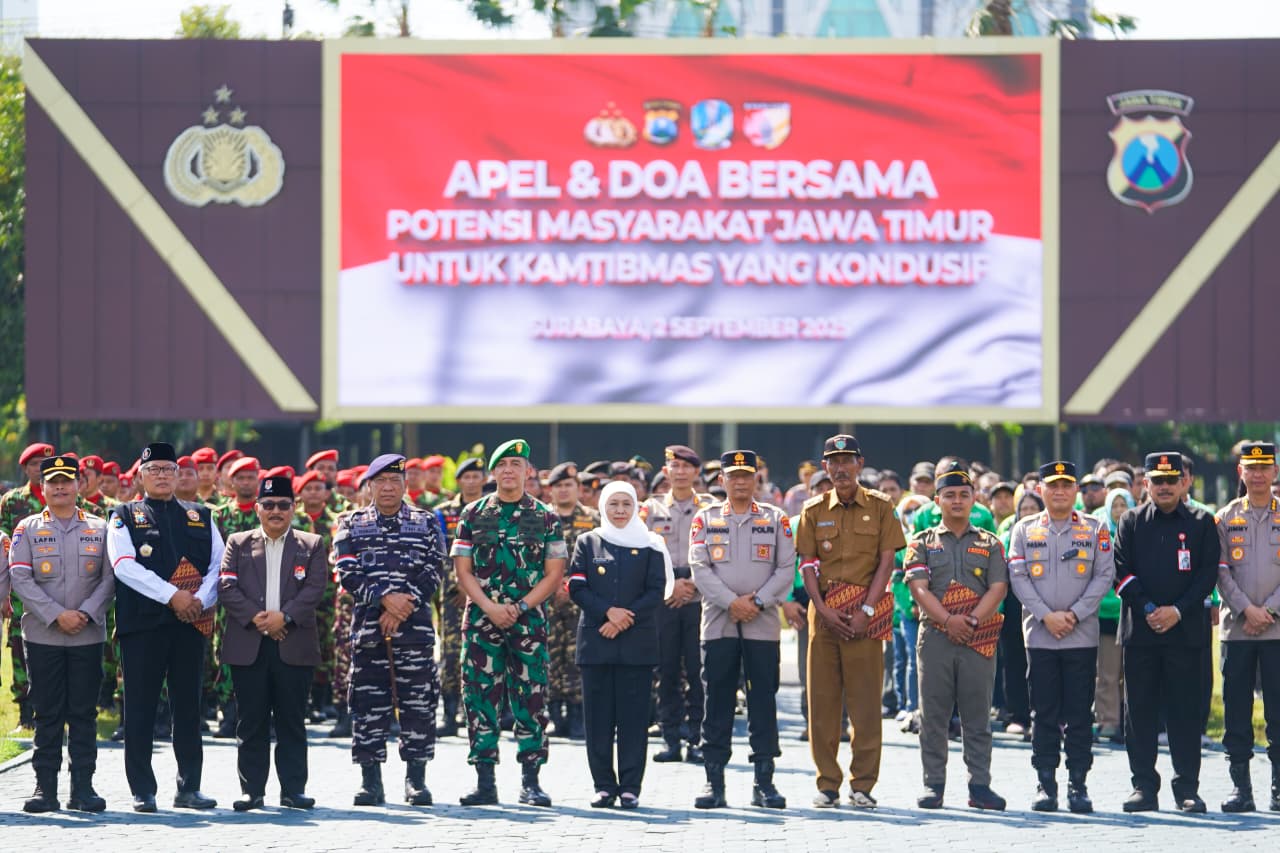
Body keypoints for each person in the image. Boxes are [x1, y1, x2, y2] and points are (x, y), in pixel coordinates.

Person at [105, 442, 222, 812]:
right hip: (143, 626)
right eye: (153, 469)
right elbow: (123, 565)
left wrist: (199, 599)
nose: (162, 476)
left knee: (188, 707)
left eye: (168, 469)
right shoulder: (123, 515)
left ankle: (190, 787)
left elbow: (219, 565)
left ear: (178, 474)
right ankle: (143, 789)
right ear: (141, 475)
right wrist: (173, 595)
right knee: (140, 708)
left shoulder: (201, 515)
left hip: (189, 624)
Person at [451, 439, 567, 807]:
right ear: (493, 472)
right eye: (502, 465)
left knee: (531, 698)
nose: (508, 471)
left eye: (516, 464)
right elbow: (462, 571)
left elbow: (553, 574)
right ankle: (485, 781)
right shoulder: (472, 514)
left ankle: (531, 781)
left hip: (527, 622)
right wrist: (489, 607)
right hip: (481, 621)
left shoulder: (546, 517)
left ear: (527, 471)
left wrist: (519, 607)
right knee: (479, 697)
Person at [794, 434, 905, 808]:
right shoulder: (812, 510)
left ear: (860, 463)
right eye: (834, 461)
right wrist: (822, 608)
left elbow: (887, 562)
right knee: (823, 703)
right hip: (824, 614)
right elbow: (807, 563)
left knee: (866, 703)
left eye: (847, 460)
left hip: (865, 614)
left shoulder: (881, 506)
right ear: (825, 467)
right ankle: (827, 784)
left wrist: (867, 611)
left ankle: (863, 784)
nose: (840, 468)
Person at [333, 454, 447, 807]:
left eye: (394, 481)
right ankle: (371, 781)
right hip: (370, 633)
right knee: (368, 706)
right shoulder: (351, 524)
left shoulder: (426, 523)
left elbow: (435, 568)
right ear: (369, 486)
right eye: (380, 481)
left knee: (418, 705)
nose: (387, 488)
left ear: (404, 485)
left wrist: (403, 605)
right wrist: (384, 599)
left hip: (414, 634)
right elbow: (347, 571)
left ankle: (416, 780)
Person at [689, 450, 796, 810]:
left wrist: (758, 602)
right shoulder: (705, 519)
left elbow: (786, 567)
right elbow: (699, 567)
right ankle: (713, 781)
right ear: (721, 480)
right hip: (718, 623)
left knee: (762, 701)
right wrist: (731, 602)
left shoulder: (776, 518)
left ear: (756, 479)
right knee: (717, 701)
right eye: (733, 476)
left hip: (761, 625)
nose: (739, 482)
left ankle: (764, 781)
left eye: (746, 475)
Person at [8, 455, 114, 812]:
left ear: (78, 485)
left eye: (66, 481)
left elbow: (110, 578)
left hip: (87, 634)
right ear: (42, 487)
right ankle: (45, 788)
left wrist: (84, 613)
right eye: (52, 482)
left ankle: (83, 788)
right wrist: (56, 615)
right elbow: (20, 577)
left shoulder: (100, 528)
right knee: (47, 713)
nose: (59, 488)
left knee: (83, 713)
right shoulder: (27, 528)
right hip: (43, 636)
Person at [1115, 452, 1219, 813]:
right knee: (1139, 713)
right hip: (1141, 633)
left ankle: (1187, 788)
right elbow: (1121, 571)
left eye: (1171, 480)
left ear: (1183, 482)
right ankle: (1143, 787)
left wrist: (1177, 610)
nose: (1164, 487)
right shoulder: (1130, 521)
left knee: (1185, 713)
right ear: (1145, 483)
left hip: (1185, 632)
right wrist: (1148, 609)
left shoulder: (1202, 522)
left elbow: (1207, 574)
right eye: (1157, 481)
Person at [1007, 462, 1115, 813]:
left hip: (1080, 636)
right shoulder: (1024, 529)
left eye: (1066, 485)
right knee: (1044, 713)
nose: (1059, 491)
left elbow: (1104, 575)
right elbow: (1018, 576)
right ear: (1040, 489)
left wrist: (1074, 614)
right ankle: (1046, 783)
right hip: (1040, 637)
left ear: (1075, 490)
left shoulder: (1096, 528)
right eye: (1052, 485)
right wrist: (1046, 615)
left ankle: (1078, 784)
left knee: (1080, 714)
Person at [218, 474, 328, 811]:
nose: (276, 511)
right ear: (258, 508)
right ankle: (252, 791)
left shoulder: (312, 544)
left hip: (293, 643)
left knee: (291, 721)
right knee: (250, 721)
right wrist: (261, 620)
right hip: (249, 643)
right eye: (268, 505)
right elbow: (226, 587)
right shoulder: (238, 542)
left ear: (294, 508)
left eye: (283, 505)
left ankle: (294, 790)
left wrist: (285, 617)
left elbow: (315, 588)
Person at [904, 462, 1009, 810]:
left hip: (978, 637)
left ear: (974, 499)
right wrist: (949, 620)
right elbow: (918, 588)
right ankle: (933, 785)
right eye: (949, 495)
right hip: (935, 637)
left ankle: (980, 786)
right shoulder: (921, 542)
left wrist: (973, 621)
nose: (957, 501)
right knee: (933, 715)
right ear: (937, 501)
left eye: (964, 494)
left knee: (977, 716)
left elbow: (998, 587)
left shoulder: (990, 543)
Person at [568, 481, 668, 809]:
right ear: (603, 507)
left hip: (636, 644)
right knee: (597, 720)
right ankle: (603, 786)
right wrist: (607, 613)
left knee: (634, 720)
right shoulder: (587, 542)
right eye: (614, 504)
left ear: (636, 506)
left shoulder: (651, 544)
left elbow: (656, 591)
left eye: (626, 503)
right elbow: (577, 587)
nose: (620, 510)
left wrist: (623, 618)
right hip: (596, 642)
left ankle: (630, 787)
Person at [1214, 441, 1280, 812]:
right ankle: (1241, 789)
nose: (1257, 475)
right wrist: (1246, 610)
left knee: (1279, 712)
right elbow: (1220, 572)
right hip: (1237, 630)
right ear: (1240, 471)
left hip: (1276, 629)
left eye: (1264, 468)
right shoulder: (1224, 518)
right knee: (1236, 711)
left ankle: (1279, 789)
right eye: (1250, 468)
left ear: (1274, 472)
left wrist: (1267, 610)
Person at [642, 444, 715, 764]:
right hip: (665, 599)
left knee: (700, 671)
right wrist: (670, 586)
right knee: (666, 669)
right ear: (666, 471)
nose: (681, 472)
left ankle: (698, 738)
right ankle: (671, 738)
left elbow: (720, 553)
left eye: (687, 467)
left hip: (702, 597)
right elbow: (643, 555)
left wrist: (693, 583)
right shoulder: (650, 509)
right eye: (675, 466)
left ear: (697, 472)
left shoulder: (712, 508)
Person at [0, 441, 58, 731]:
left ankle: (54, 710)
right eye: (35, 465)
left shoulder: (61, 496)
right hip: (21, 585)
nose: (40, 470)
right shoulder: (12, 501)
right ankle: (25, 711)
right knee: (19, 644)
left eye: (45, 465)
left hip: (57, 583)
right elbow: (4, 542)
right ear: (25, 468)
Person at [544, 461, 598, 740]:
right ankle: (554, 716)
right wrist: (553, 586)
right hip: (546, 599)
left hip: (582, 600)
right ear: (550, 490)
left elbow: (599, 559)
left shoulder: (594, 519)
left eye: (568, 485)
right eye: (558, 486)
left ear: (578, 488)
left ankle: (578, 716)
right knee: (549, 655)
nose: (563, 490)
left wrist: (570, 586)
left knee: (578, 656)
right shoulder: (540, 518)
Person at [433, 457, 487, 738]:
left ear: (483, 480)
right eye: (467, 477)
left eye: (476, 476)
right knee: (451, 652)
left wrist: (475, 586)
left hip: (488, 594)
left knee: (483, 652)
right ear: (458, 481)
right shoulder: (443, 513)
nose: (472, 482)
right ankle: (450, 713)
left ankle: (477, 714)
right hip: (453, 596)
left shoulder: (492, 510)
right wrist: (461, 585)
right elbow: (440, 553)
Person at [1092, 487, 1135, 743]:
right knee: (1107, 673)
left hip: (1131, 613)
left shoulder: (1137, 534)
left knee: (1130, 674)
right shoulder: (1100, 536)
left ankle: (1130, 721)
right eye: (1115, 505)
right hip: (1106, 613)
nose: (1119, 510)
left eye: (1123, 505)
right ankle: (1107, 720)